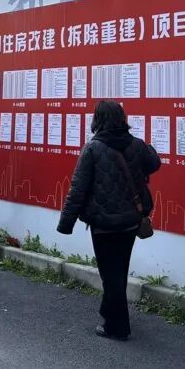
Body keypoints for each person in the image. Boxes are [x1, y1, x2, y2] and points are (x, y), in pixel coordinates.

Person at [57, 100, 161, 341]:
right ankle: (109, 314)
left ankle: (117, 327)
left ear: (98, 119)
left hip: (103, 224)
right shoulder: (136, 144)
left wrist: (66, 223)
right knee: (119, 271)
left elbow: (78, 189)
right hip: (130, 222)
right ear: (123, 118)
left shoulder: (92, 149)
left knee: (110, 274)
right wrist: (148, 147)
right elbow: (154, 163)